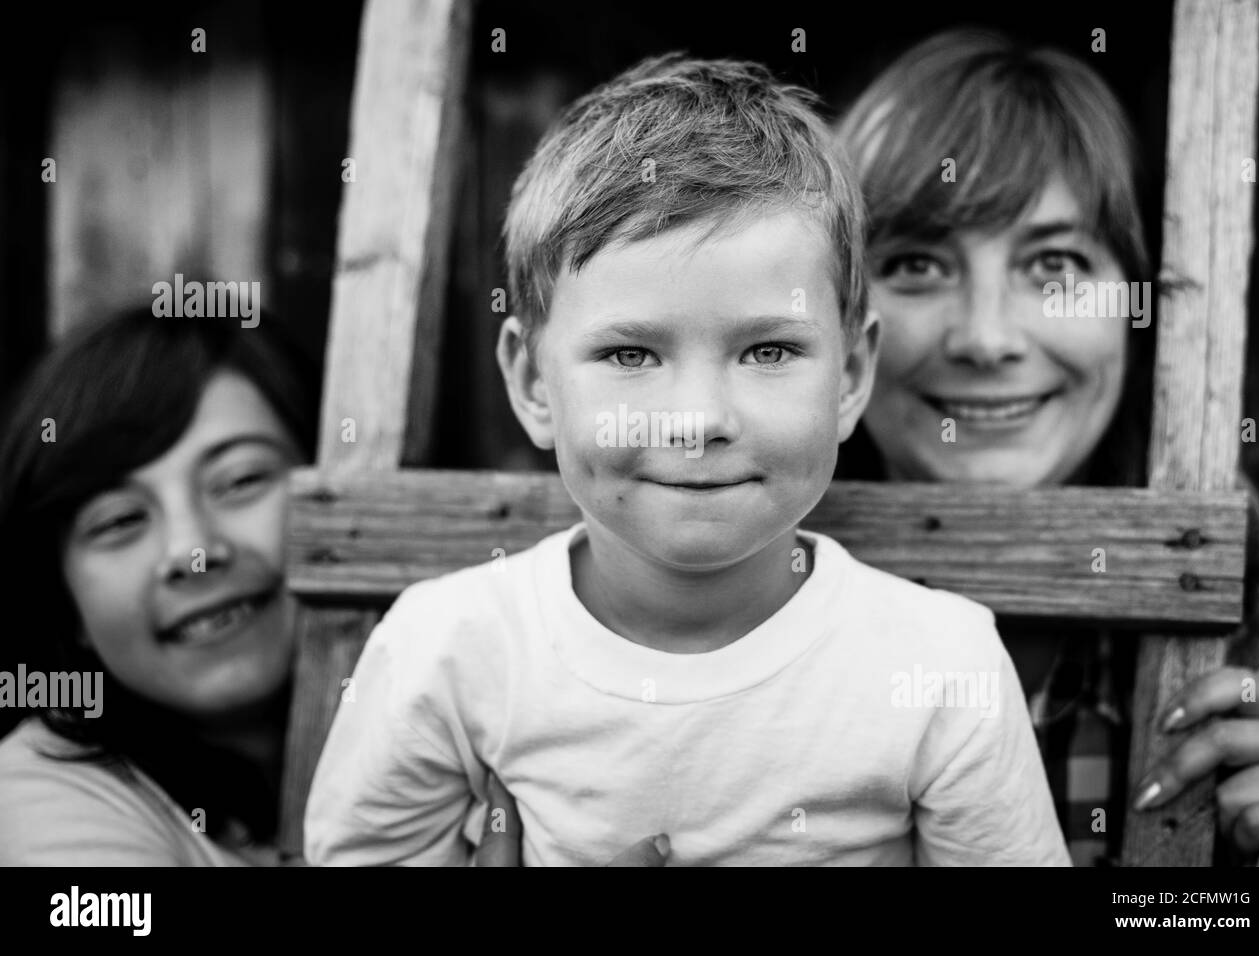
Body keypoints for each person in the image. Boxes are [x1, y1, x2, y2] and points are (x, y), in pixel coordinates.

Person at [303, 54, 1070, 866]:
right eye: (631, 356)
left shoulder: (942, 667)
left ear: (849, 376)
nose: (697, 422)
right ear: (532, 381)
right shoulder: (449, 650)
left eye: (769, 350)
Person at [834, 28, 1259, 865]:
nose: (986, 339)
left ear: (1144, 311)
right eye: (915, 263)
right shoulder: (710, 624)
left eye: (1053, 264)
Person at [0, 306, 319, 865]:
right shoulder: (40, 799)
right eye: (120, 520)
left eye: (241, 480)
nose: (193, 553)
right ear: (66, 604)